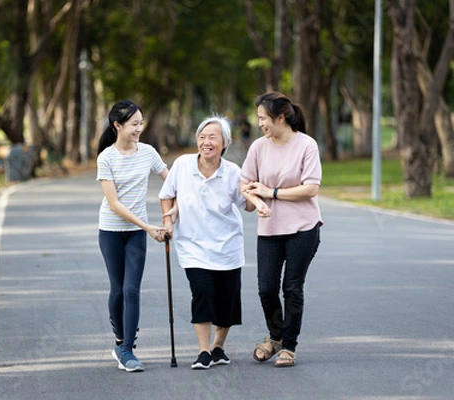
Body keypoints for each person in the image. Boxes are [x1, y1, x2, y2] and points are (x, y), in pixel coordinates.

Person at [159, 115, 254, 370]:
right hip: (193, 246)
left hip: (227, 246)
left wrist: (256, 191)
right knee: (201, 293)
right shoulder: (182, 165)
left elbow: (248, 206)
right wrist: (168, 222)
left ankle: (218, 347)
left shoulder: (234, 172)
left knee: (226, 300)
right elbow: (167, 196)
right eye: (202, 137)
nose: (206, 142)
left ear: (225, 143)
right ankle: (203, 351)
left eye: (213, 137)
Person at [240, 91, 322, 368]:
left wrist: (271, 193)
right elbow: (245, 185)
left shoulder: (306, 145)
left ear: (281, 117)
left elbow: (311, 188)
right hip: (270, 229)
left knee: (292, 287)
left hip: (303, 227)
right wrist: (255, 201)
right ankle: (275, 337)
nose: (260, 123)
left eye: (263, 118)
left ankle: (289, 346)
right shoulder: (258, 147)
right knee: (266, 289)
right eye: (259, 118)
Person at [97, 100, 170, 372]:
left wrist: (174, 208)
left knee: (132, 289)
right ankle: (119, 339)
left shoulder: (148, 152)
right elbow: (114, 204)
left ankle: (127, 349)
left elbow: (171, 180)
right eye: (134, 124)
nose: (140, 128)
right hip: (111, 231)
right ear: (118, 126)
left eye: (141, 123)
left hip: (137, 233)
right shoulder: (106, 158)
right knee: (117, 288)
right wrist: (148, 226)